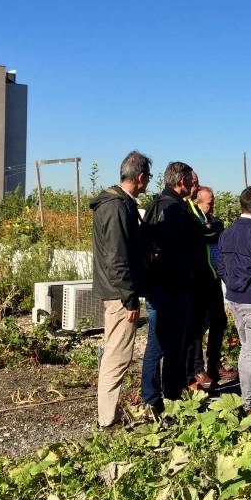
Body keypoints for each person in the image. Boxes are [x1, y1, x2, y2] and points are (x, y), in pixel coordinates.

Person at [90, 150, 151, 428]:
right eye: (148, 177)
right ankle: (108, 419)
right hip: (119, 293)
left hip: (116, 291)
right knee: (118, 355)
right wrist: (129, 299)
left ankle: (108, 413)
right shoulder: (116, 207)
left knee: (115, 352)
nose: (148, 181)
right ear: (140, 177)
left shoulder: (116, 203)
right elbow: (117, 258)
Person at [140, 161, 201, 413]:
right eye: (190, 180)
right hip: (171, 288)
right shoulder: (172, 209)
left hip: (161, 287)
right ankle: (158, 397)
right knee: (164, 345)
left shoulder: (159, 204)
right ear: (182, 181)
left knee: (163, 344)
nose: (192, 184)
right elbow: (174, 250)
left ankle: (163, 394)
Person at [218, 185, 251, 412]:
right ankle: (249, 403)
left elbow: (220, 266)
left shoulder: (227, 232)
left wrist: (231, 284)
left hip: (235, 298)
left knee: (246, 348)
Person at [187, 184, 234, 389]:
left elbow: (218, 231)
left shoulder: (211, 220)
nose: (212, 204)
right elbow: (204, 235)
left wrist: (212, 230)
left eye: (213, 200)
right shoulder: (192, 217)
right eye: (209, 201)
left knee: (219, 321)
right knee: (198, 327)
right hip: (198, 279)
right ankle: (198, 369)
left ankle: (214, 364)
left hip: (214, 277)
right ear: (198, 201)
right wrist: (210, 231)